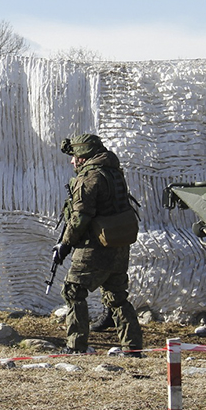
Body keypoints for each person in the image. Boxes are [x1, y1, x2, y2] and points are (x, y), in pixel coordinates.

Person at [55, 133, 143, 355]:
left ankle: (76, 346)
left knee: (73, 291)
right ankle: (132, 347)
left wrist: (65, 245)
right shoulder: (113, 172)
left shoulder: (89, 178)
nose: (72, 161)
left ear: (83, 156)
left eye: (75, 156)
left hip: (94, 248)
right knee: (117, 296)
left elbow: (80, 218)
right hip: (119, 246)